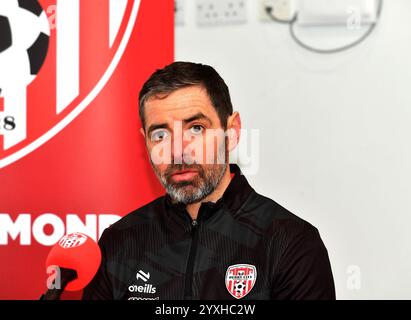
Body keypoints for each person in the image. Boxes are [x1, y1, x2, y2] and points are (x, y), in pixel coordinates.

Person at [82, 61, 335, 300]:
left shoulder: (290, 243)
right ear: (144, 140)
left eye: (196, 128)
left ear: (231, 131)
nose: (178, 151)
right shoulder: (119, 243)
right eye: (160, 134)